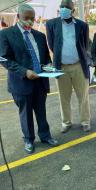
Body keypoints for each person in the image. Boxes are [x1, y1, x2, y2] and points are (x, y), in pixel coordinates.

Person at [0, 4, 58, 154]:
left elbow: (45, 57)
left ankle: (45, 136)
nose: (30, 21)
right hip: (21, 82)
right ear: (18, 17)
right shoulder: (6, 34)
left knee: (41, 111)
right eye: (27, 18)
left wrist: (50, 67)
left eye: (32, 18)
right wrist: (25, 72)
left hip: (40, 81)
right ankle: (29, 139)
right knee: (25, 114)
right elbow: (4, 59)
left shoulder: (40, 36)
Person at [46, 0, 91, 133]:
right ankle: (66, 122)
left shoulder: (82, 25)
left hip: (79, 66)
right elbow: (52, 45)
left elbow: (85, 45)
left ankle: (85, 121)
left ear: (73, 10)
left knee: (83, 96)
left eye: (67, 7)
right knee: (63, 97)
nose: (63, 9)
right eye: (61, 7)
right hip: (61, 67)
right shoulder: (51, 24)